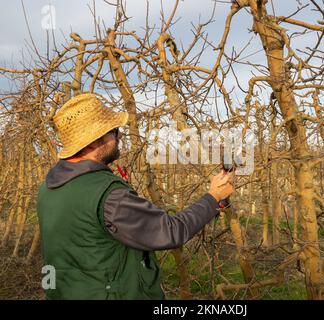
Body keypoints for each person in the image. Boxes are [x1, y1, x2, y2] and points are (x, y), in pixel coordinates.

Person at [37, 93, 234, 300]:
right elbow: (171, 231)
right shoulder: (108, 195)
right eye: (113, 131)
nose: (119, 136)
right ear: (93, 142)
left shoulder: (48, 188)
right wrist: (213, 198)